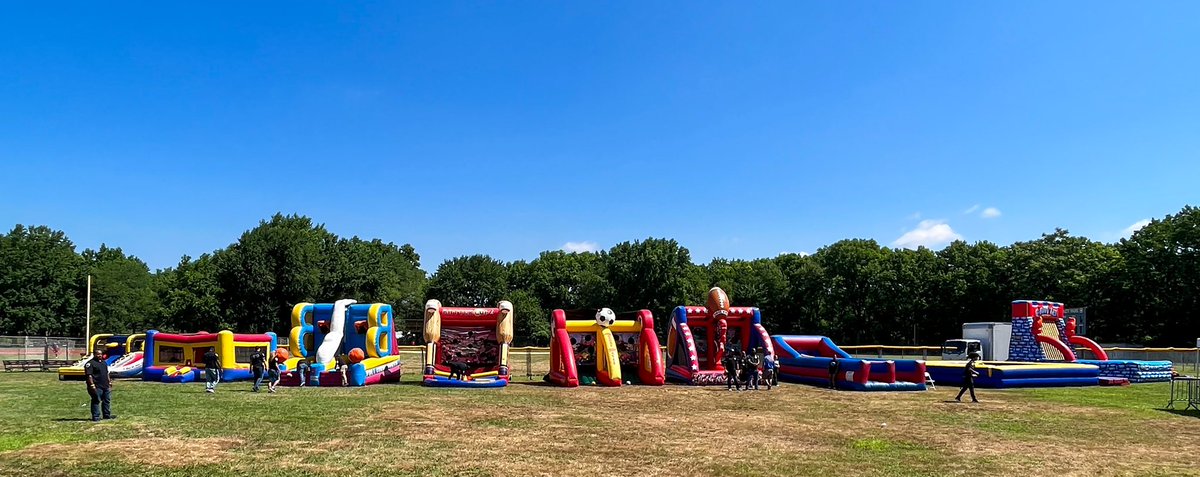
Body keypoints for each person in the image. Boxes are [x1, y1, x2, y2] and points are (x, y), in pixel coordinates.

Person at [84, 349, 114, 421]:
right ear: (94, 354)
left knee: (107, 400)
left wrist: (109, 382)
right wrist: (92, 385)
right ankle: (96, 416)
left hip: (105, 385)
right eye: (98, 354)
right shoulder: (90, 364)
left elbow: (107, 373)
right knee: (96, 400)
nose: (100, 355)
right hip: (97, 385)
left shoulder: (103, 362)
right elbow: (89, 375)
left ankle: (106, 415)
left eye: (100, 354)